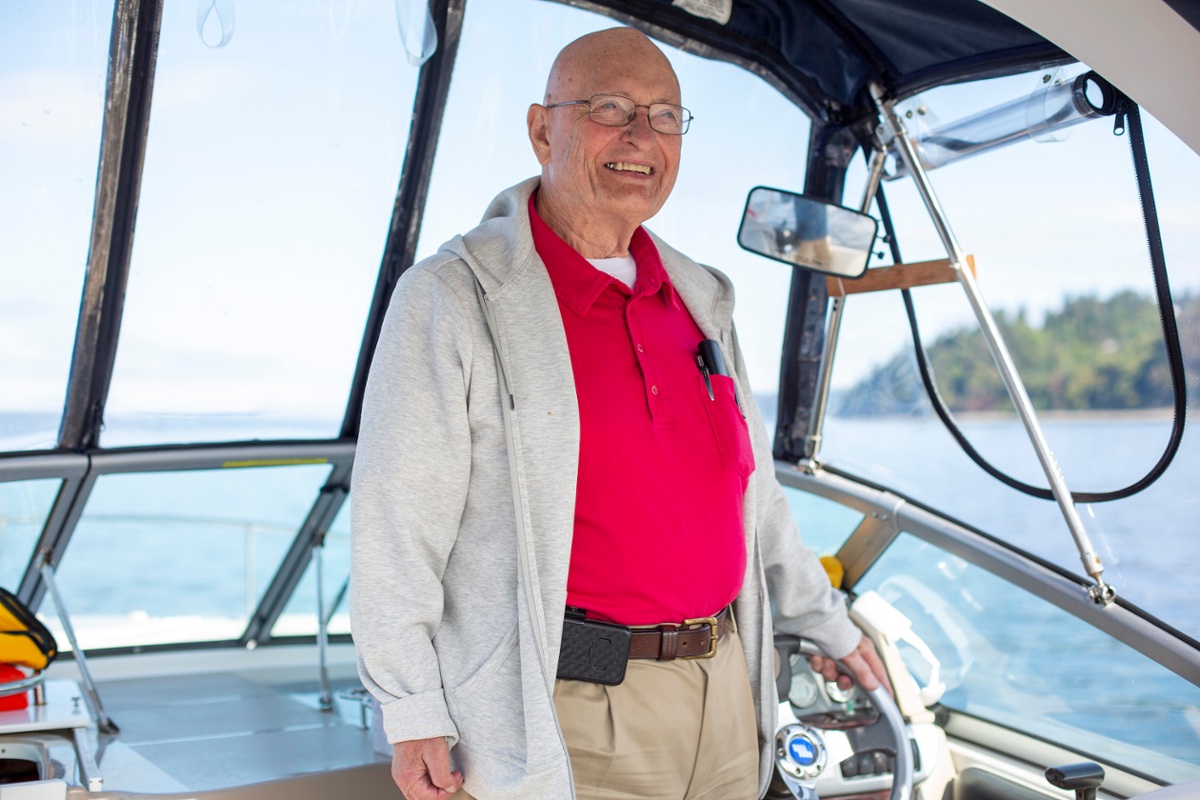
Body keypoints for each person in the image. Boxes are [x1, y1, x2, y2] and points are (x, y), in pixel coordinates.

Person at [351, 26, 887, 800]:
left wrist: (829, 624)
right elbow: (397, 524)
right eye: (611, 108)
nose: (642, 137)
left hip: (728, 696)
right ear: (543, 129)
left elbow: (754, 501)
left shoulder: (700, 301)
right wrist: (411, 708)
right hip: (570, 713)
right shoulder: (454, 297)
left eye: (666, 116)